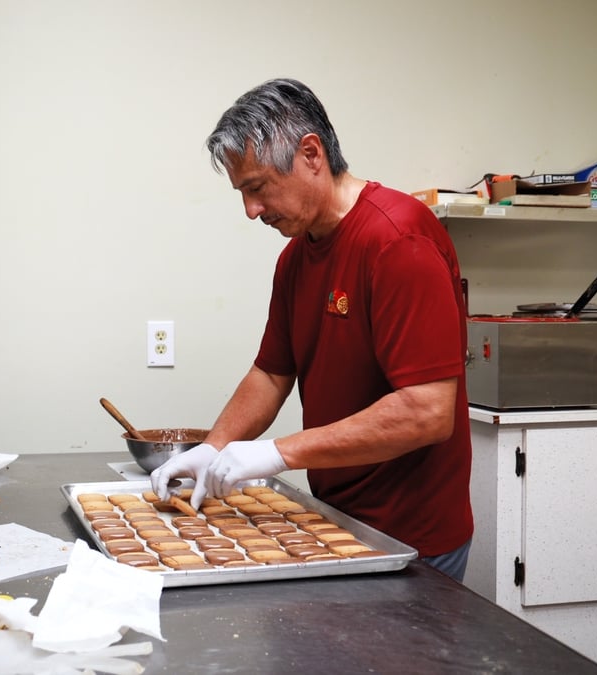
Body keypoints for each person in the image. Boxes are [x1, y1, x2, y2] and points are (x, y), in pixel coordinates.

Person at [151, 78, 473, 581]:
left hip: (411, 538)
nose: (251, 210)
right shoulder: (295, 259)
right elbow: (271, 374)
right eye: (242, 193)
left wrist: (278, 453)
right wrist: (211, 450)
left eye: (257, 188)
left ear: (310, 153)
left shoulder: (396, 241)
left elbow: (428, 411)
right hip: (337, 519)